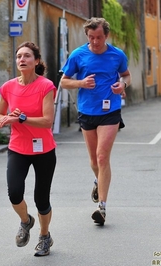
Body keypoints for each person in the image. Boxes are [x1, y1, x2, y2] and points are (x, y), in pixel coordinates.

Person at [60, 17, 132, 226]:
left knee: (102, 157)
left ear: (106, 35)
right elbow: (64, 82)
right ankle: (97, 180)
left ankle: (102, 207)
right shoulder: (78, 55)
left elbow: (126, 75)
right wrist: (81, 82)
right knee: (93, 161)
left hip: (110, 111)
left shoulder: (117, 55)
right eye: (91, 37)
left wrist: (122, 85)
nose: (95, 41)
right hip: (87, 111)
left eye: (99, 37)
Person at [0, 42, 57, 256]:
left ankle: (44, 236)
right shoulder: (8, 87)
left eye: (27, 56)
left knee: (42, 199)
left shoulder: (46, 86)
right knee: (14, 193)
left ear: (36, 61)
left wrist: (21, 118)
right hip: (18, 148)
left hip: (44, 150)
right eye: (19, 56)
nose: (22, 59)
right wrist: (6, 118)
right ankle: (26, 221)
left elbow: (48, 121)